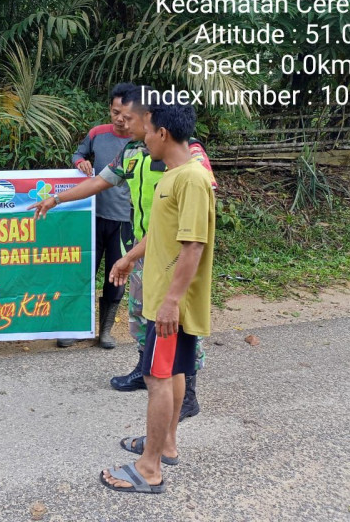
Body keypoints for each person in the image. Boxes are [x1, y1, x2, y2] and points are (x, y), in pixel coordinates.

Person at [98, 97, 215, 494]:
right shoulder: (173, 176)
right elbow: (163, 233)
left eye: (146, 131)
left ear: (162, 133)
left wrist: (171, 301)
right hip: (163, 297)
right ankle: (164, 445)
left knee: (157, 376)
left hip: (170, 302)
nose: (142, 137)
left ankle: (149, 468)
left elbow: (193, 246)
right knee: (174, 371)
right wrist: (129, 257)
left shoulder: (193, 179)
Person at [57, 83, 138, 349]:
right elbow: (78, 152)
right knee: (83, 272)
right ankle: (77, 326)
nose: (120, 120)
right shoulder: (97, 134)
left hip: (124, 221)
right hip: (91, 217)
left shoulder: (141, 141)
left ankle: (105, 330)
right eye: (115, 113)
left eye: (126, 115)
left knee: (116, 276)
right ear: (110, 109)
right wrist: (79, 161)